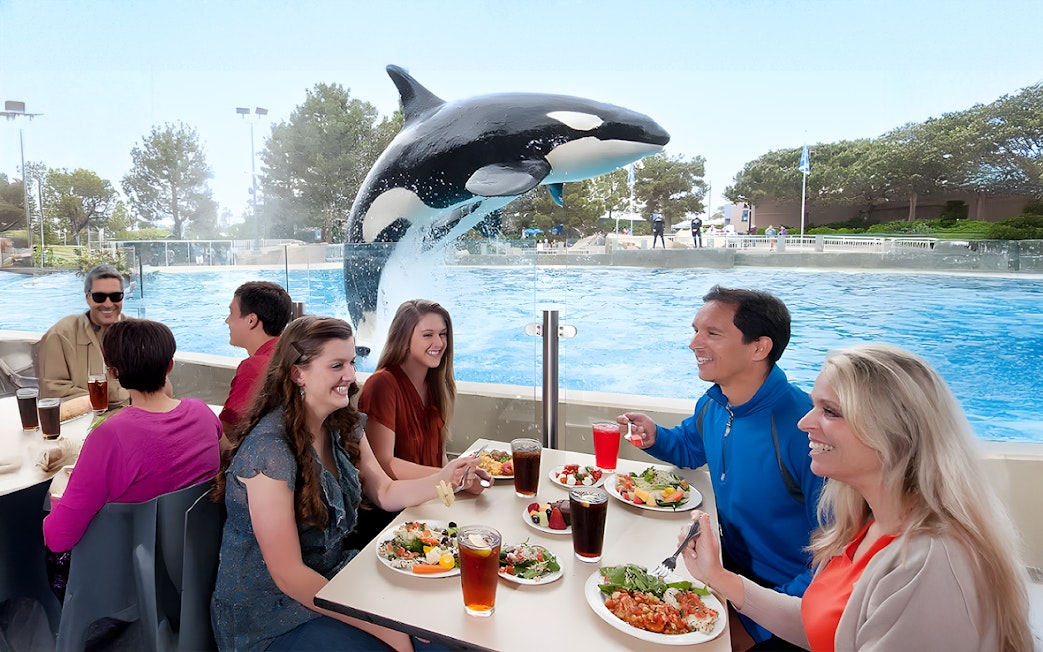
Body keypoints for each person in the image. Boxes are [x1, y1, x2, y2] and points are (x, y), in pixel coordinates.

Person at [681, 344, 1032, 652]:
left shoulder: (929, 563)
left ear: (894, 435)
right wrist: (719, 576)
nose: (804, 422)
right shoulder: (868, 523)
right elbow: (826, 628)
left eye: (830, 411)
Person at [211, 316, 481, 651]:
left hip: (335, 581)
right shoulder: (270, 453)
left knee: (443, 636)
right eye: (337, 365)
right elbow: (289, 575)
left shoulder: (342, 424)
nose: (351, 376)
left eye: (352, 362)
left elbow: (384, 491)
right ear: (298, 373)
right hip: (270, 617)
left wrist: (447, 478)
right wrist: (386, 628)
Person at [623, 286, 823, 649]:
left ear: (759, 347)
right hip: (724, 575)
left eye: (712, 333)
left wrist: (753, 627)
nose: (694, 343)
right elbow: (689, 446)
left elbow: (835, 561)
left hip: (781, 607)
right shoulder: (716, 403)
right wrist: (655, 437)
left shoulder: (806, 431)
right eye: (696, 330)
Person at [43, 319, 221, 596]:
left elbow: (59, 537)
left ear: (113, 373)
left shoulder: (110, 437)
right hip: (197, 562)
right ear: (170, 366)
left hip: (127, 574)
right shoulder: (202, 414)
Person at [38, 264, 130, 410]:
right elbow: (53, 394)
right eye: (99, 297)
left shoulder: (136, 333)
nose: (108, 304)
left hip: (132, 419)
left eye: (115, 296)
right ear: (88, 298)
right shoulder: (60, 335)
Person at [220, 281, 293, 435]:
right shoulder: (289, 354)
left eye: (231, 313)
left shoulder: (255, 366)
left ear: (251, 320)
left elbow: (228, 431)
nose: (227, 320)